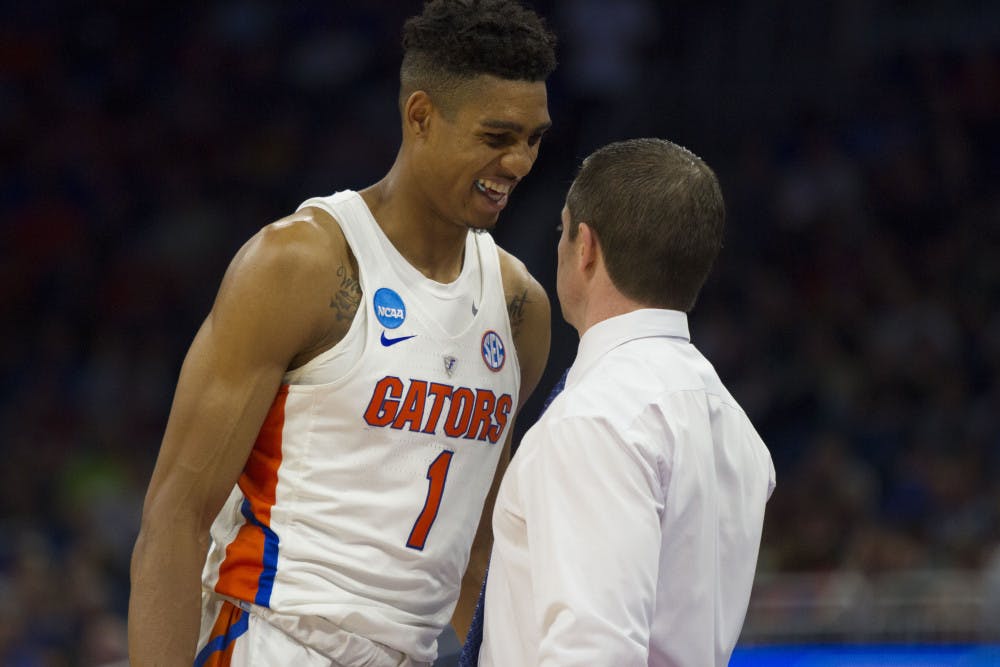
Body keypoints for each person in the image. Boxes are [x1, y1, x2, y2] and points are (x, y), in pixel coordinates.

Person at [127, 1, 556, 665]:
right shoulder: (301, 265)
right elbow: (174, 513)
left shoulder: (519, 309)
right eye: (497, 136)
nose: (520, 161)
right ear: (421, 117)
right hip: (275, 638)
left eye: (533, 138)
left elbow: (476, 552)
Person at [477, 138, 777, 666]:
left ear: (585, 247)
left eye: (561, 231)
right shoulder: (734, 423)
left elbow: (595, 652)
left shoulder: (594, 419)